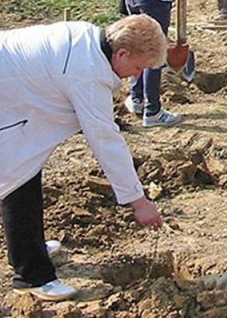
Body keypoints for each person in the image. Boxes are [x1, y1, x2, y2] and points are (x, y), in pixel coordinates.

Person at [1, 15, 165, 301]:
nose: (137, 76)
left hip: (15, 93)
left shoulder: (88, 39)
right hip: (9, 95)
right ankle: (32, 276)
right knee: (18, 176)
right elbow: (104, 140)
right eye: (138, 67)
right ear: (122, 53)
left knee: (24, 169)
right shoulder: (87, 73)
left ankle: (31, 248)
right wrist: (138, 201)